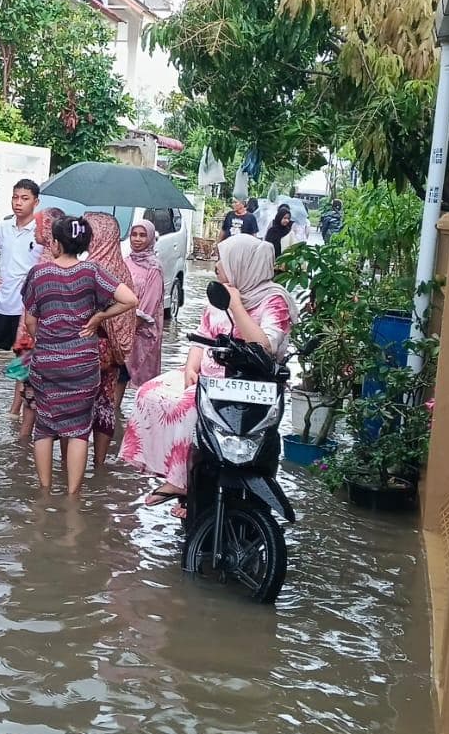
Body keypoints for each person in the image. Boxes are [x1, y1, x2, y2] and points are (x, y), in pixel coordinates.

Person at [121, 234, 294, 518]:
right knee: (148, 394)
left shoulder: (273, 301)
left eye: (223, 260)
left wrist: (236, 305)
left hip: (248, 386)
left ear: (242, 265)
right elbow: (201, 340)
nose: (217, 266)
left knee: (187, 408)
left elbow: (265, 347)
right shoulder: (218, 295)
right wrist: (191, 367)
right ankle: (181, 476)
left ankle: (180, 482)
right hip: (207, 377)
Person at [22, 216, 139, 495]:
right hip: (83, 364)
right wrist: (99, 316)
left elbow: (29, 322)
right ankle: (73, 498)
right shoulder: (92, 272)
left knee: (45, 427)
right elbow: (130, 300)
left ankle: (44, 494)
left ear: (57, 243)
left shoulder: (39, 274)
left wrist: (45, 340)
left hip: (47, 361)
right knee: (77, 430)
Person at [0, 178, 41, 417]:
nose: (18, 203)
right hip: (0, 304)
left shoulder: (41, 233)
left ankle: (14, 411)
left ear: (36, 201)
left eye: (24, 198)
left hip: (25, 311)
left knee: (23, 361)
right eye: (15, 197)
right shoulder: (4, 228)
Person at [82, 212, 135, 468]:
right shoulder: (122, 267)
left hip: (87, 348)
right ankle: (100, 464)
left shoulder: (90, 268)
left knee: (78, 406)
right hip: (113, 353)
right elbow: (128, 314)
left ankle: (73, 469)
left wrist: (98, 317)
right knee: (105, 404)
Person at [12, 206, 65, 439]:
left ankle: (24, 443)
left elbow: (33, 308)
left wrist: (28, 338)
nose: (35, 230)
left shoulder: (45, 264)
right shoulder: (53, 258)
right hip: (51, 341)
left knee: (32, 396)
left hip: (37, 339)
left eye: (39, 225)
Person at [124, 219, 165, 390]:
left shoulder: (154, 268)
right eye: (134, 234)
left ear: (150, 239)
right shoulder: (125, 261)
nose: (137, 239)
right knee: (118, 379)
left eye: (142, 235)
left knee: (143, 388)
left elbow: (149, 305)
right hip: (122, 331)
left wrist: (128, 329)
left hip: (142, 333)